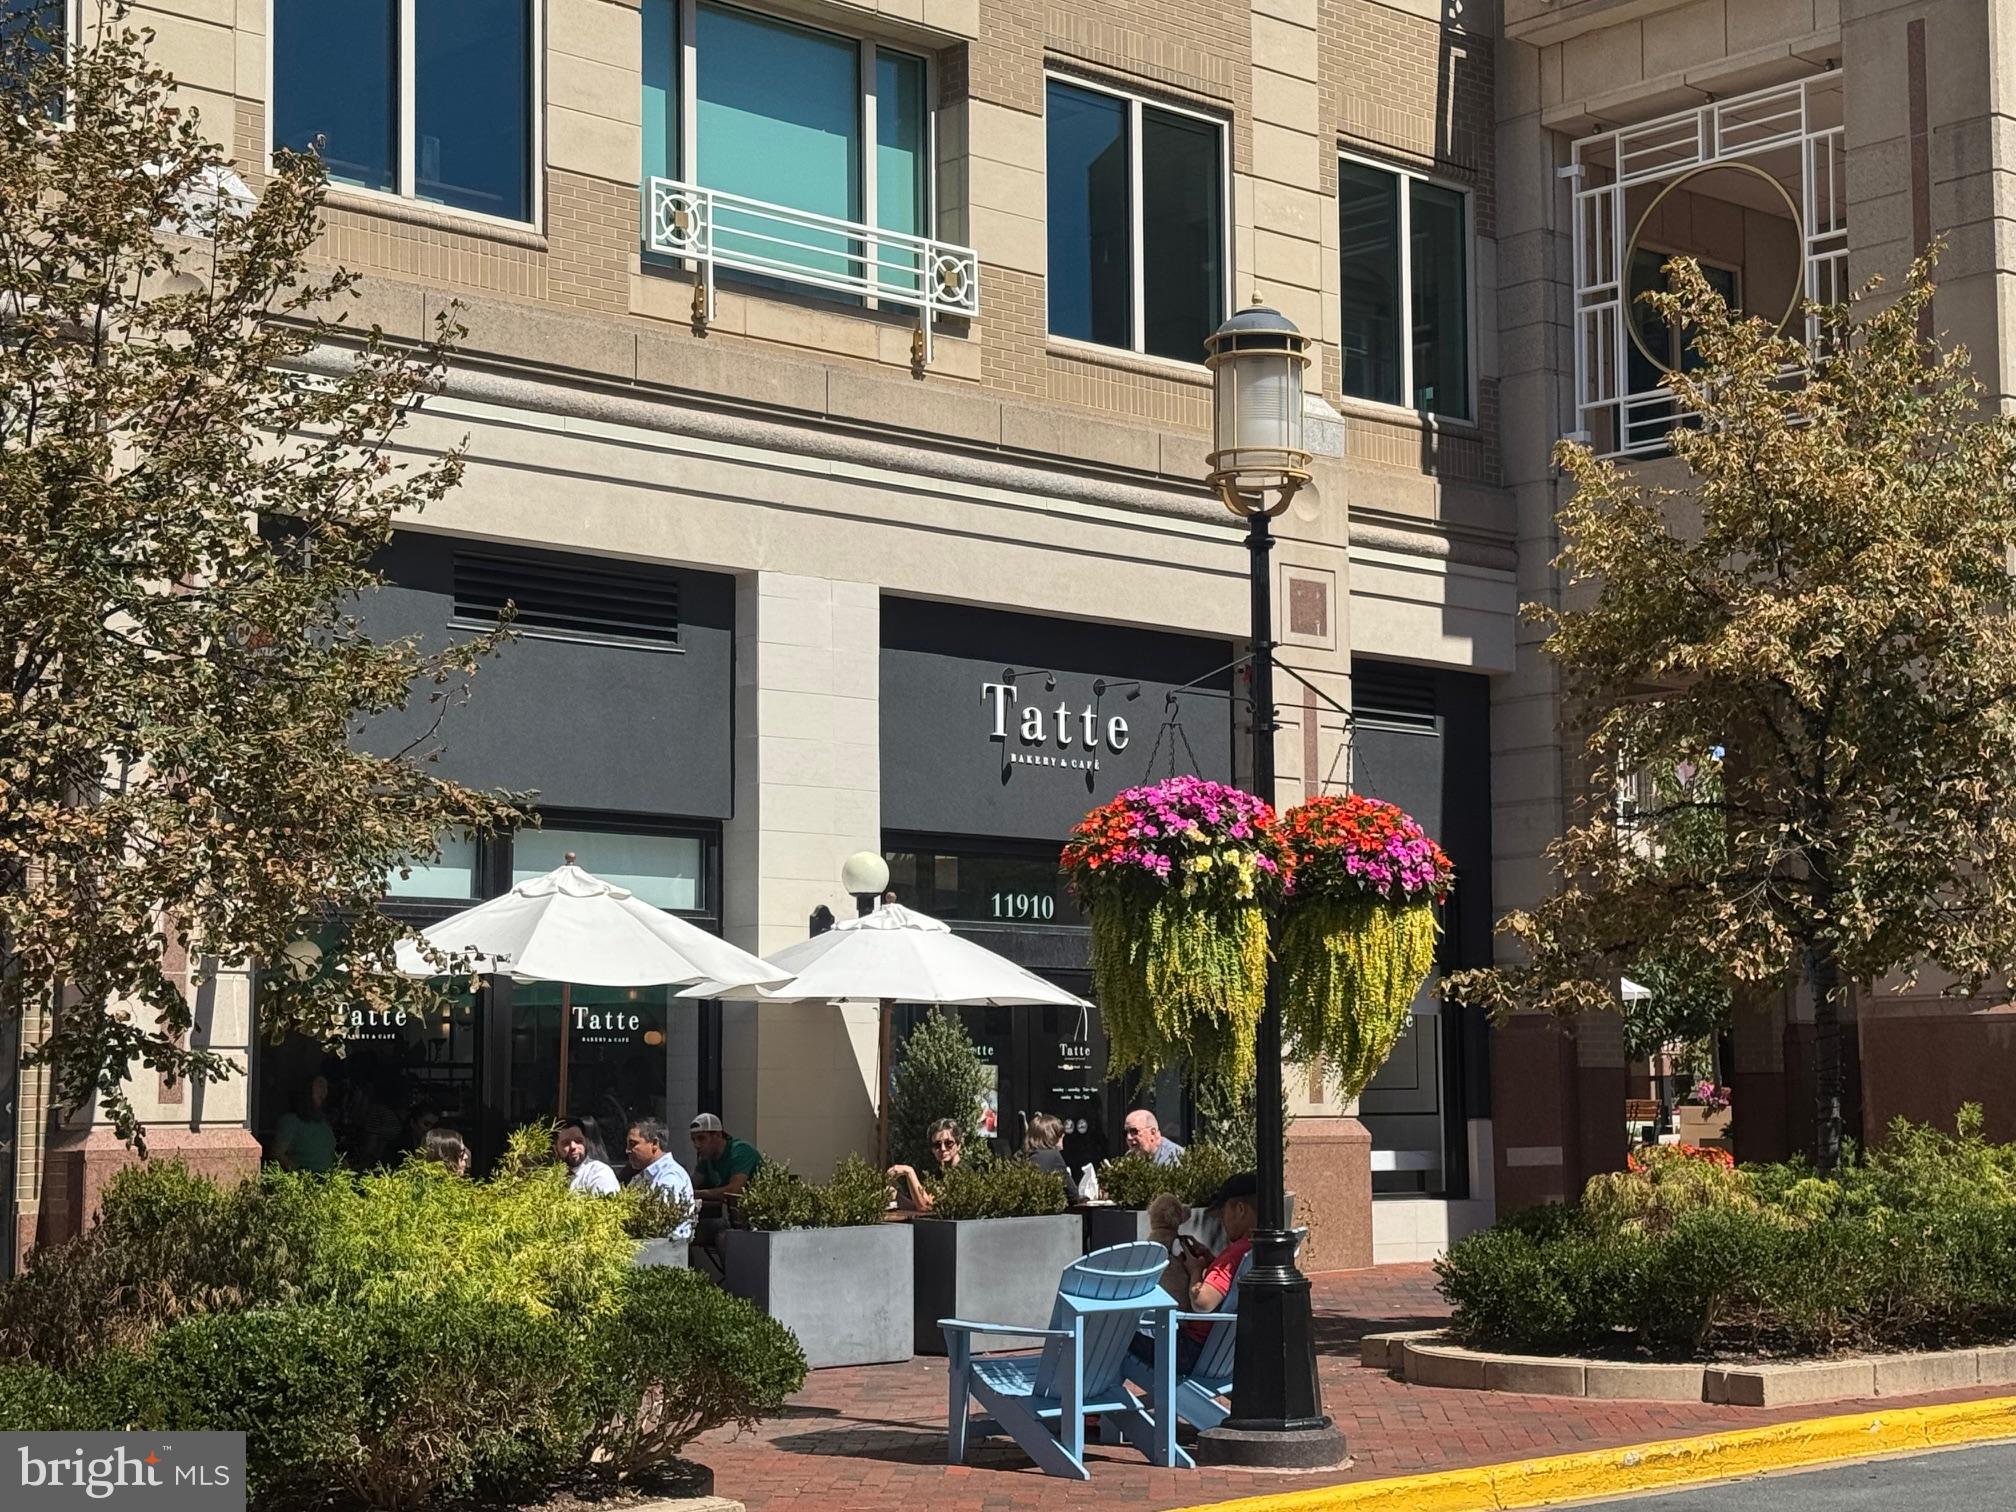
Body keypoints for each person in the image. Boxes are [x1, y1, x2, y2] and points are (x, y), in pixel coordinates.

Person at [1130, 1171, 1257, 1374]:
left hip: (1191, 1352)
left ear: (1240, 1209)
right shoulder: (1251, 1250)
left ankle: (1093, 1391)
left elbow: (1202, 1302)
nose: (1222, 1222)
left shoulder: (1233, 1255)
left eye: (1223, 1213)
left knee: (1119, 1336)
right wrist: (1210, 1260)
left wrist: (1196, 1270)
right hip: (1222, 1354)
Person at [624, 1118, 696, 1240]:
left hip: (665, 1250)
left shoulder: (671, 1176)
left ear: (654, 1144)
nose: (627, 1151)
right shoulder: (643, 1176)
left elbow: (656, 1219)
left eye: (633, 1144)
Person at [888, 1117, 962, 1213]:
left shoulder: (962, 1172)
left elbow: (925, 1207)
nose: (943, 1148)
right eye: (937, 1145)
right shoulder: (940, 1174)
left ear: (959, 1145)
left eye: (949, 1143)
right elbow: (923, 1206)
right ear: (932, 1150)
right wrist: (896, 1196)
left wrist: (909, 1172)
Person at [688, 1112, 763, 1202]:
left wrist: (695, 1194)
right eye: (693, 1140)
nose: (697, 1145)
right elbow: (690, 1185)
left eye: (701, 1138)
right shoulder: (706, 1157)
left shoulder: (741, 1151)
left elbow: (734, 1191)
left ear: (718, 1135)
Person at [273, 1073, 339, 1173]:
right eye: (320, 1086)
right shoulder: (291, 1121)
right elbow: (277, 1153)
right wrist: (298, 1173)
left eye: (326, 1087)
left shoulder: (324, 1123)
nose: (324, 1091)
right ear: (308, 1089)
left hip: (328, 1182)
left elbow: (330, 1152)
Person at [555, 1118, 620, 1195]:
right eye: (566, 1143)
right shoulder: (552, 1175)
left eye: (578, 1141)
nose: (573, 1146)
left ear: (586, 1142)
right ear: (555, 1148)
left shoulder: (598, 1172)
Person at [1021, 1112, 1070, 1178]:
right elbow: (1071, 1187)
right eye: (1061, 1139)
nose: (1062, 1146)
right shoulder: (1053, 1155)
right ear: (1051, 1137)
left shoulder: (1020, 1156)